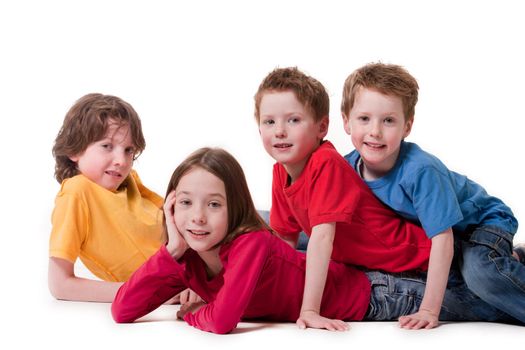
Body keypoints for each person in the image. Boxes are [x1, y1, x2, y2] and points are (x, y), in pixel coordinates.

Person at [111, 147, 519, 334]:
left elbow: (221, 321)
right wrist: (172, 251)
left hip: (375, 295)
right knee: (475, 289)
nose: (196, 217)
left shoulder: (249, 243)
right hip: (360, 277)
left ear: (235, 209)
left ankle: (504, 255)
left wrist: (189, 314)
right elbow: (122, 310)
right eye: (185, 204)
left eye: (213, 204)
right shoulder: (188, 255)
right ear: (170, 207)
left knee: (487, 303)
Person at [341, 62, 525, 327]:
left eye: (389, 120)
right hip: (446, 235)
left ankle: (503, 259)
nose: (375, 131)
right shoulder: (348, 167)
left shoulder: (420, 171)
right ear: (346, 121)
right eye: (364, 118)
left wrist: (428, 309)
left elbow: (442, 240)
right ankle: (514, 258)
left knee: (480, 275)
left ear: (407, 126)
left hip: (481, 223)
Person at [254, 67, 436, 330]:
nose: (279, 131)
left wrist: (310, 309)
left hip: (411, 261)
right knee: (259, 227)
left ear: (322, 127)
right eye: (269, 122)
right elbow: (285, 241)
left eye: (293, 120)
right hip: (358, 260)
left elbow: (323, 237)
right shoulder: (280, 171)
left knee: (477, 297)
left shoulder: (325, 162)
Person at [49, 93, 169, 302]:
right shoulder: (77, 193)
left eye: (129, 150)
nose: (121, 161)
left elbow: (174, 212)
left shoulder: (130, 181)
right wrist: (145, 292)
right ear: (74, 150)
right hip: (181, 280)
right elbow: (60, 285)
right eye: (107, 146)